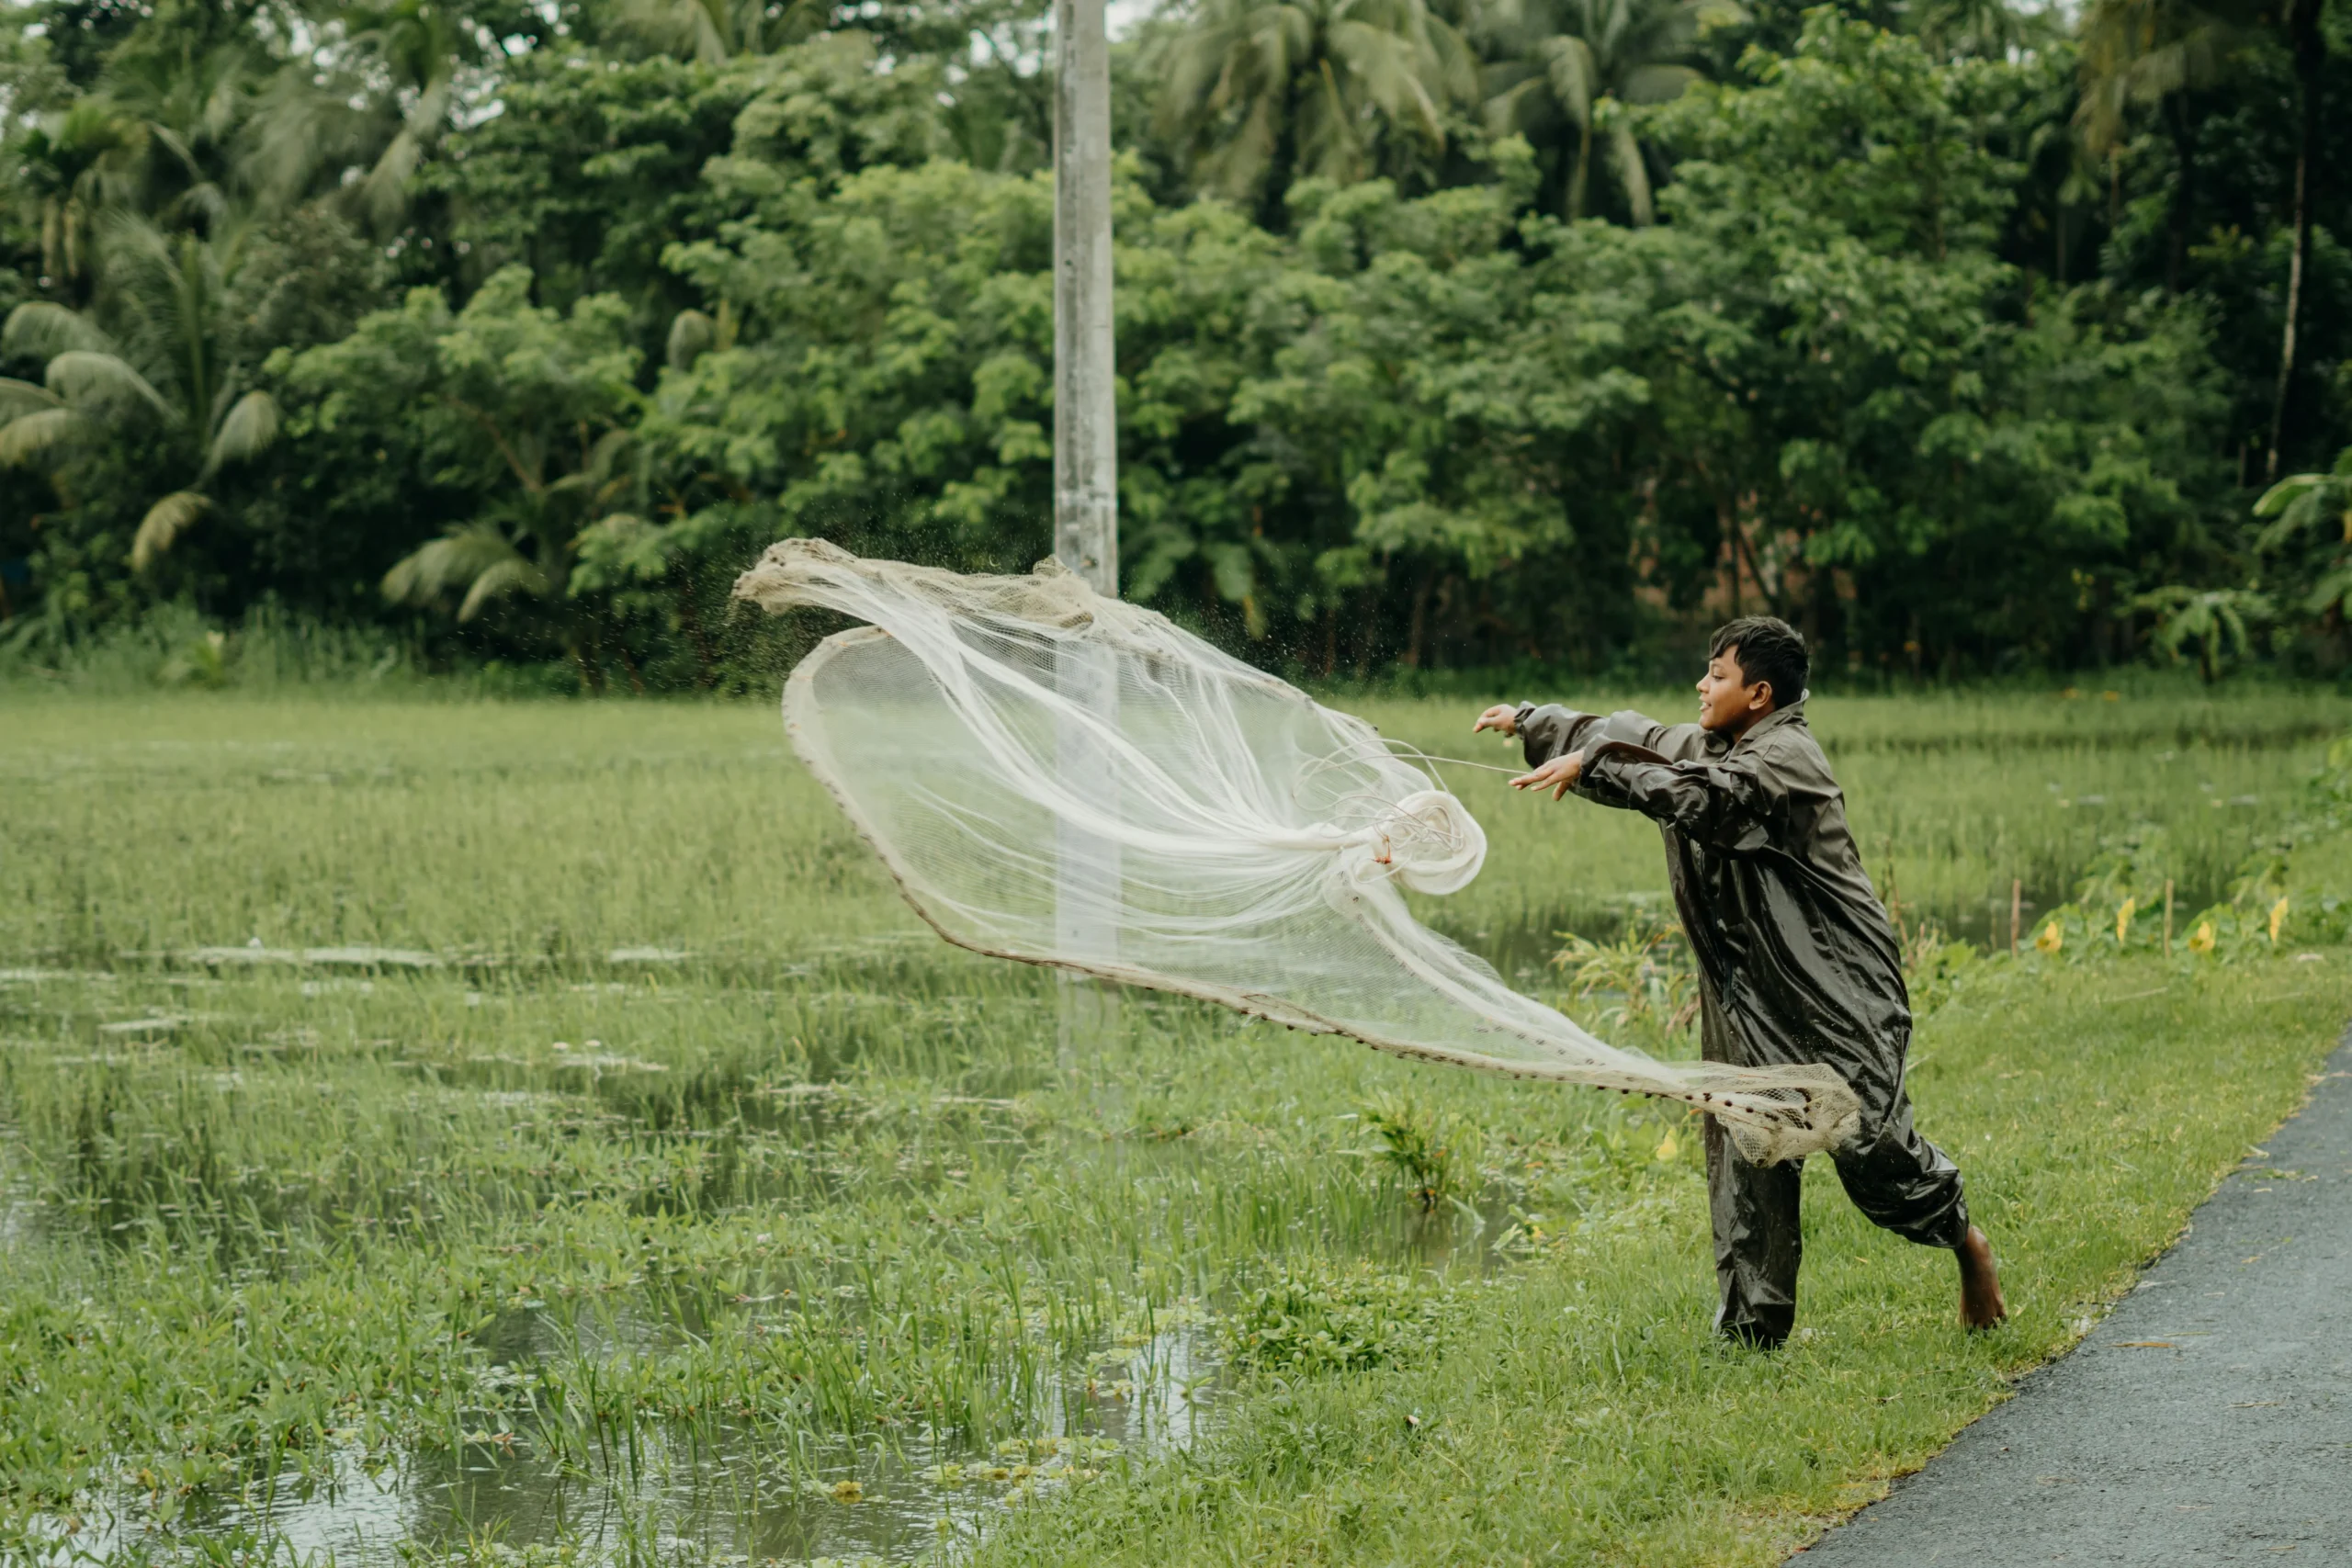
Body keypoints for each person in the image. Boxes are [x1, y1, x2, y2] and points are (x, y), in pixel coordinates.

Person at [1473, 616, 2006, 1346]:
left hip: (1835, 989)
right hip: (1744, 987)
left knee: (1873, 1149)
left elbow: (1709, 797)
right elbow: (1633, 735)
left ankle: (1966, 1242)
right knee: (1748, 1151)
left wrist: (1595, 767)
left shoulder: (1785, 760)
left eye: (1716, 674)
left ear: (1759, 694)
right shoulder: (1714, 744)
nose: (1701, 684)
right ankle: (1752, 1335)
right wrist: (1533, 721)